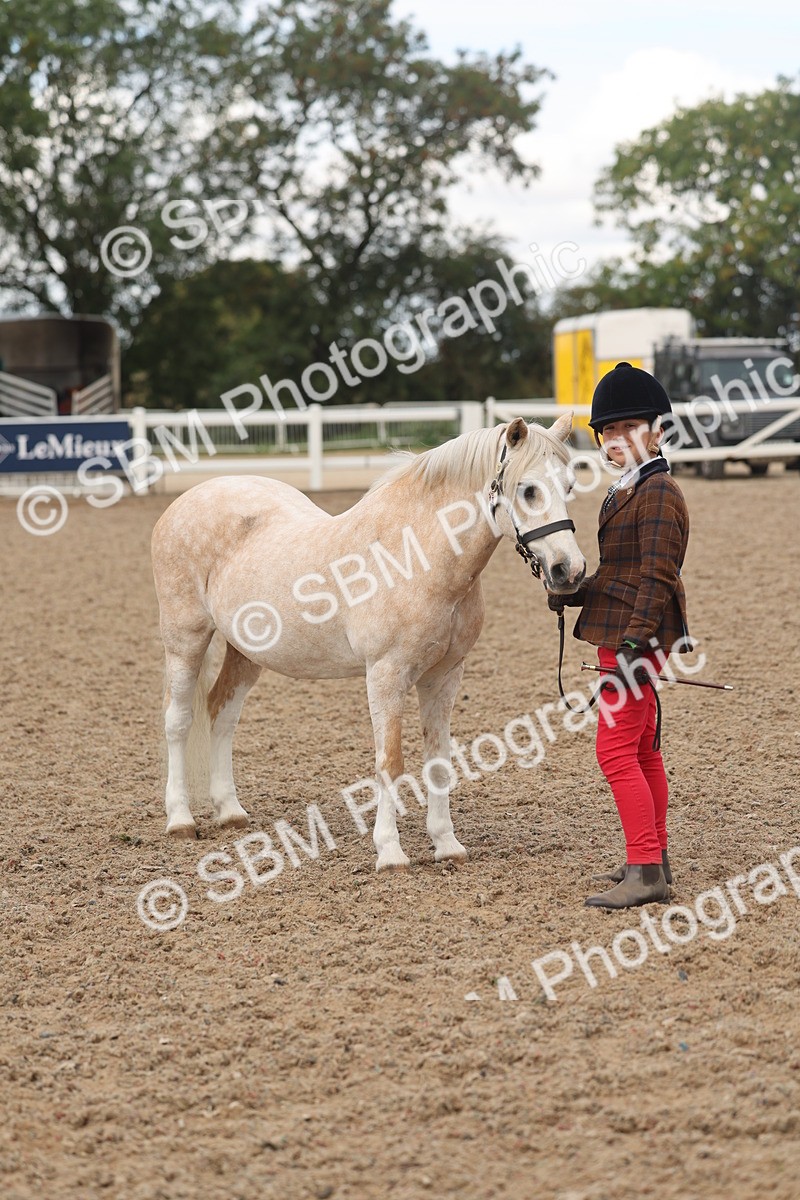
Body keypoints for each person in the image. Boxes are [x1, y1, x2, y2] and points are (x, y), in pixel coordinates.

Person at [550, 362, 690, 910]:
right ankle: (651, 854)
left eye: (627, 428)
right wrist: (575, 591)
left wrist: (632, 648)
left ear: (656, 431)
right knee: (641, 750)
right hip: (626, 634)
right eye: (606, 432)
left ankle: (647, 872)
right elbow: (622, 573)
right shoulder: (622, 492)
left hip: (637, 639)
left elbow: (656, 577)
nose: (614, 441)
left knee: (614, 754)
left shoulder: (659, 494)